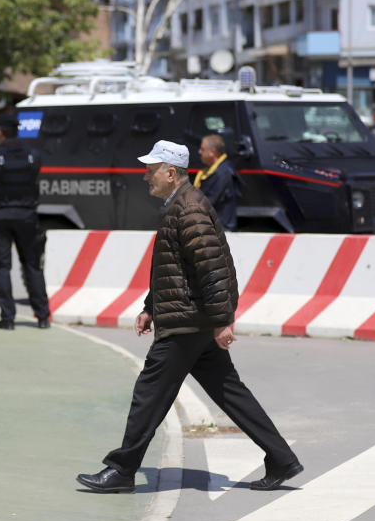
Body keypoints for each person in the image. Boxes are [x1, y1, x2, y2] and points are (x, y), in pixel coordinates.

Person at [76, 140, 301, 494]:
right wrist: (152, 306)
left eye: (151, 171)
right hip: (191, 318)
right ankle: (282, 458)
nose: (145, 176)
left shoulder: (189, 209)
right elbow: (175, 267)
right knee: (231, 393)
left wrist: (221, 322)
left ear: (170, 173)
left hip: (189, 323)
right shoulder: (180, 205)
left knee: (148, 394)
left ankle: (121, 470)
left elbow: (211, 269)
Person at [0, 113, 50, 330]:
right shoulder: (32, 156)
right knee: (32, 265)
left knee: (2, 266)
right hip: (26, 215)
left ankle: (7, 318)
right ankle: (43, 316)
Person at [194, 133, 244, 231]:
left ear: (212, 152)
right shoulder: (214, 171)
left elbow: (207, 203)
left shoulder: (223, 173)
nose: (199, 152)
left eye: (202, 149)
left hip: (220, 232)